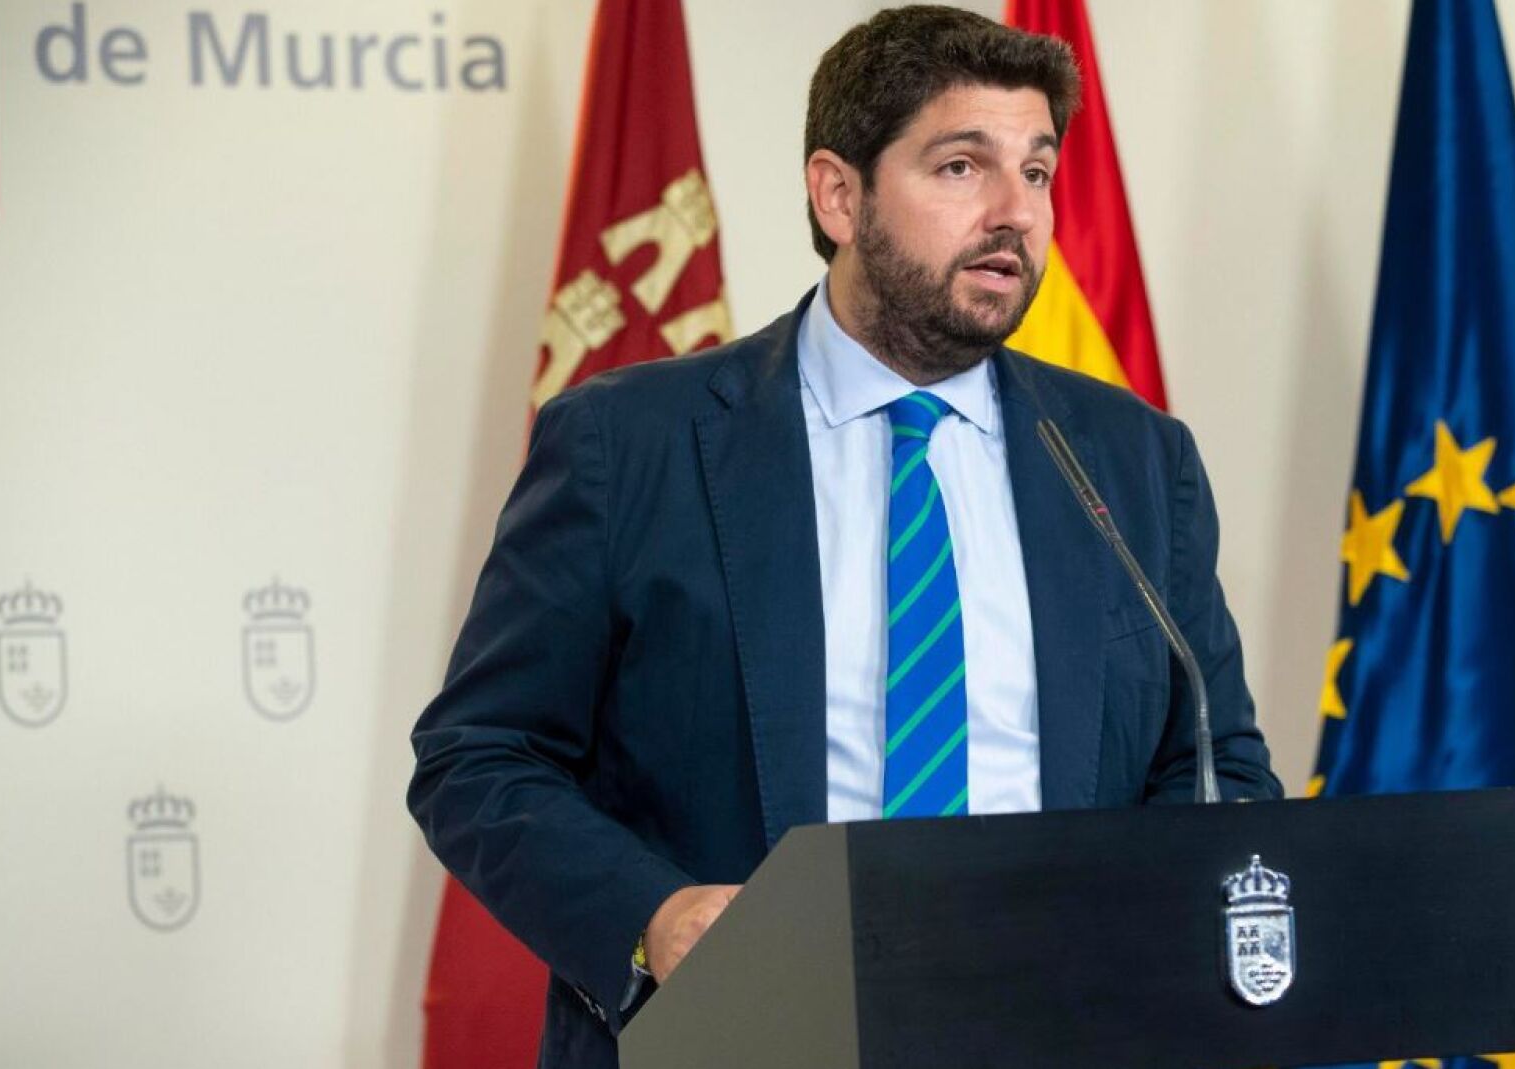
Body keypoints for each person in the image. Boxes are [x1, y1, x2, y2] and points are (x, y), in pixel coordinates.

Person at [408, 7, 1281, 1067]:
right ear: (838, 194)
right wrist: (654, 917)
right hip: (742, 1038)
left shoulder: (1131, 458)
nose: (1016, 212)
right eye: (961, 167)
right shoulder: (630, 443)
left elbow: (1213, 760)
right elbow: (479, 754)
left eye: (1037, 171)